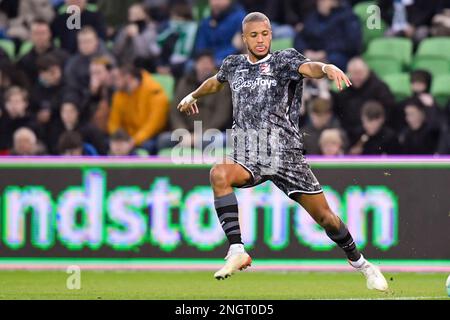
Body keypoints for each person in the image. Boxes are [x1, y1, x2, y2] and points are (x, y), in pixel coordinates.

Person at [177, 12, 388, 291]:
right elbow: (216, 82)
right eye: (254, 35)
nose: (261, 39)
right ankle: (237, 249)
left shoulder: (283, 60)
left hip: (285, 154)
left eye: (265, 34)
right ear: (244, 39)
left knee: (326, 218)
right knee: (219, 174)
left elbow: (308, 68)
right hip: (249, 152)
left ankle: (361, 263)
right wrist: (193, 95)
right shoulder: (233, 64)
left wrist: (326, 68)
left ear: (271, 35)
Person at [108, 65, 169, 154]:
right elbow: (114, 123)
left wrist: (133, 141)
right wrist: (117, 140)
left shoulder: (155, 92)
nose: (114, 81)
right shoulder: (119, 95)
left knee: (148, 146)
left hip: (148, 137)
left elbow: (153, 125)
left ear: (128, 77)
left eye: (117, 78)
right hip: (126, 137)